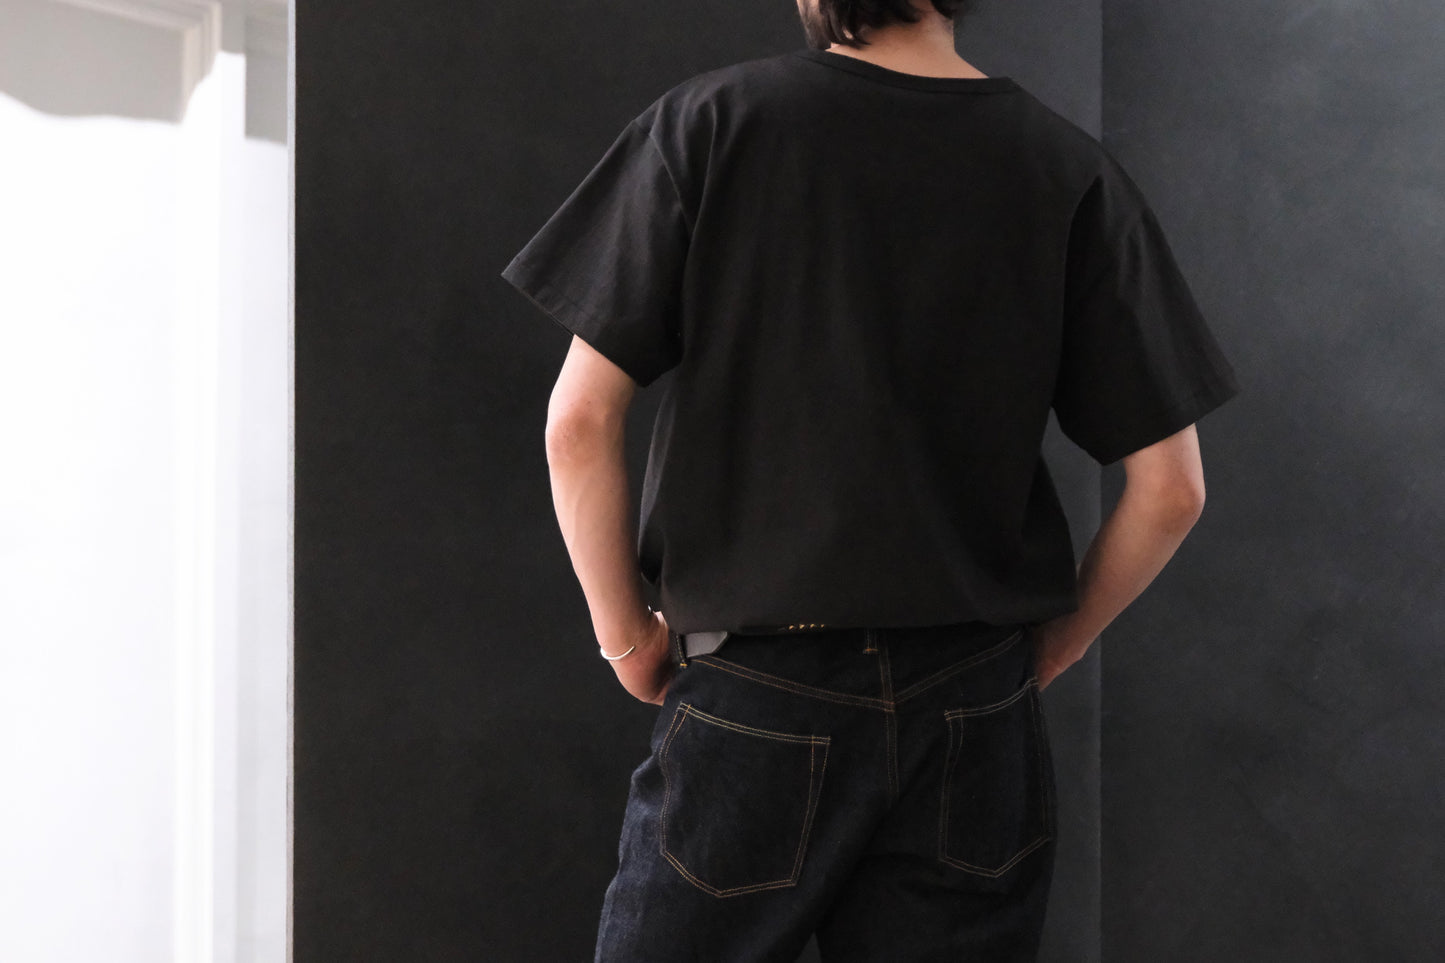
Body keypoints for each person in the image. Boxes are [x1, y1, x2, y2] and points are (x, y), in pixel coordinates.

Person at [499, 0, 1241, 958]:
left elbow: (577, 423)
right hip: (974, 702)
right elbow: (1172, 489)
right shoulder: (1066, 166)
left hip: (759, 686)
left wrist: (625, 635)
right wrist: (1047, 650)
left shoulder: (714, 124)